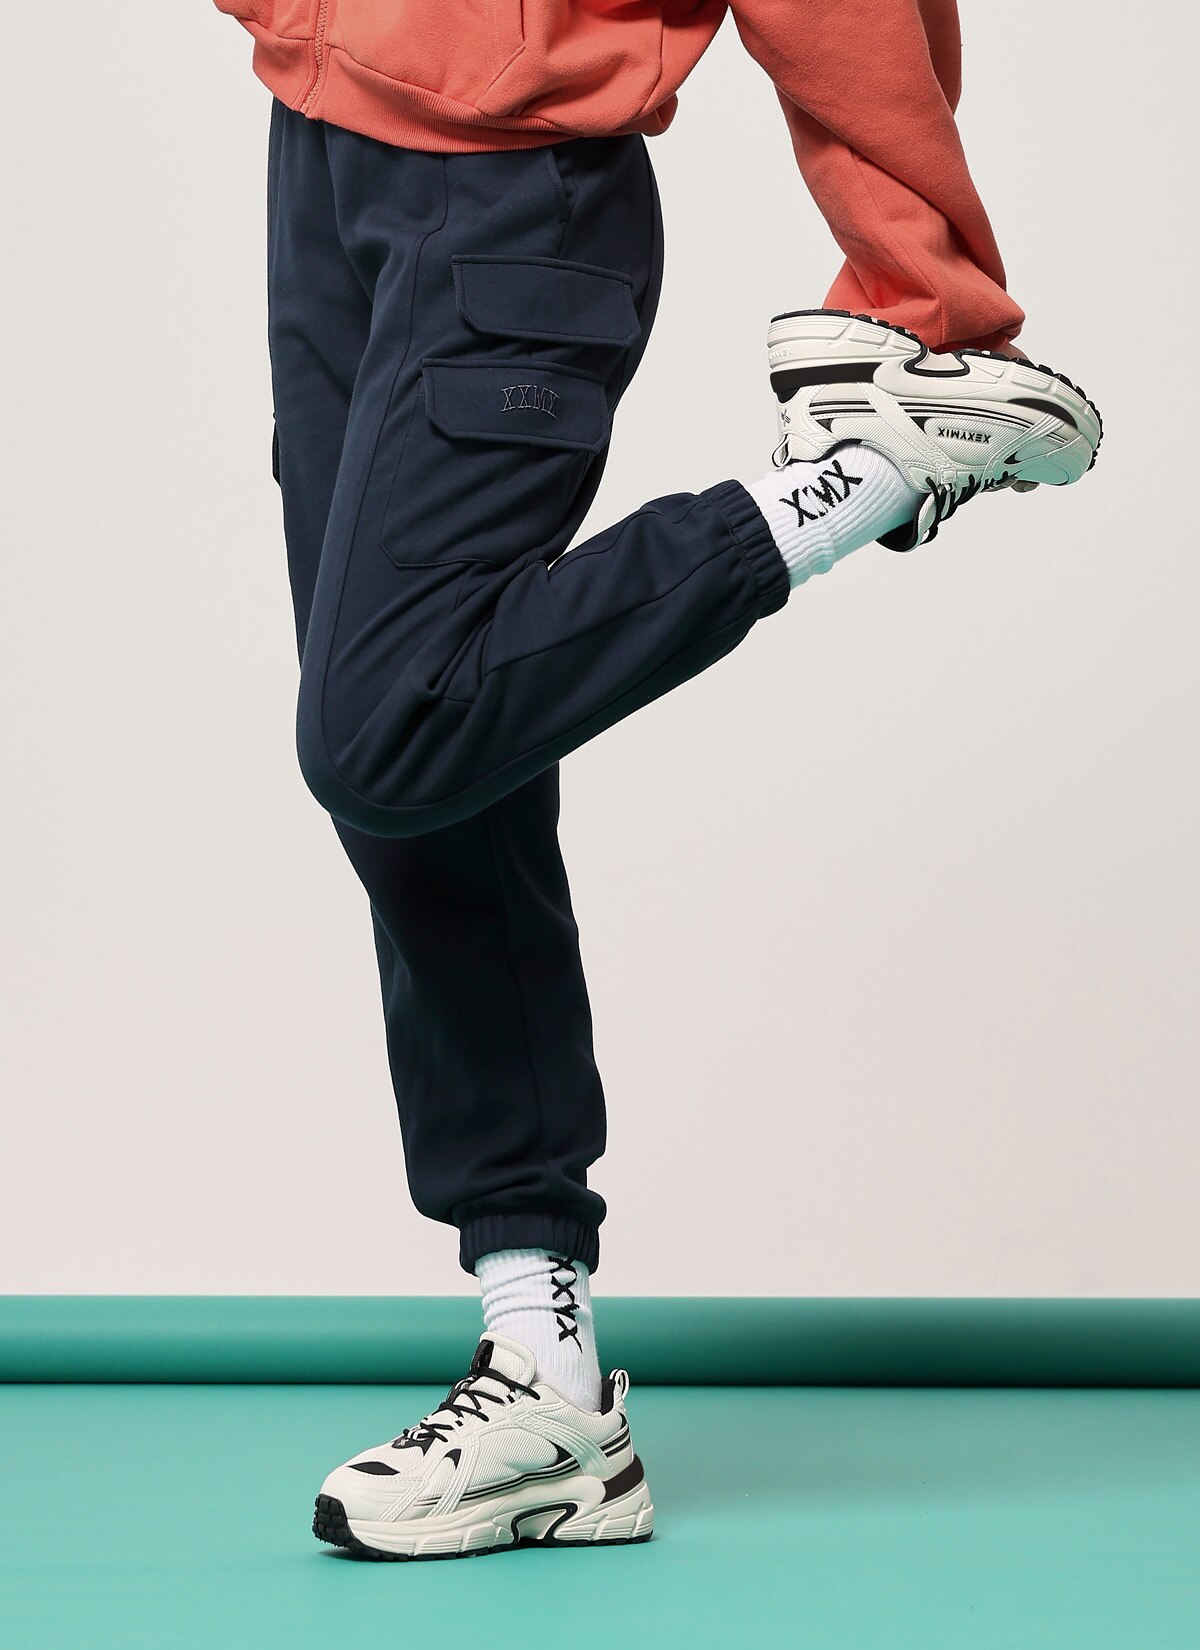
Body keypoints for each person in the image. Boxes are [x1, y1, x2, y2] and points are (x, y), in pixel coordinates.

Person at [216, 0, 1101, 1559]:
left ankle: (868, 476)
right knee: (431, 793)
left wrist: (924, 288)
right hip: (323, 138)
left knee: (389, 725)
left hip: (512, 185)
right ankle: (546, 1382)